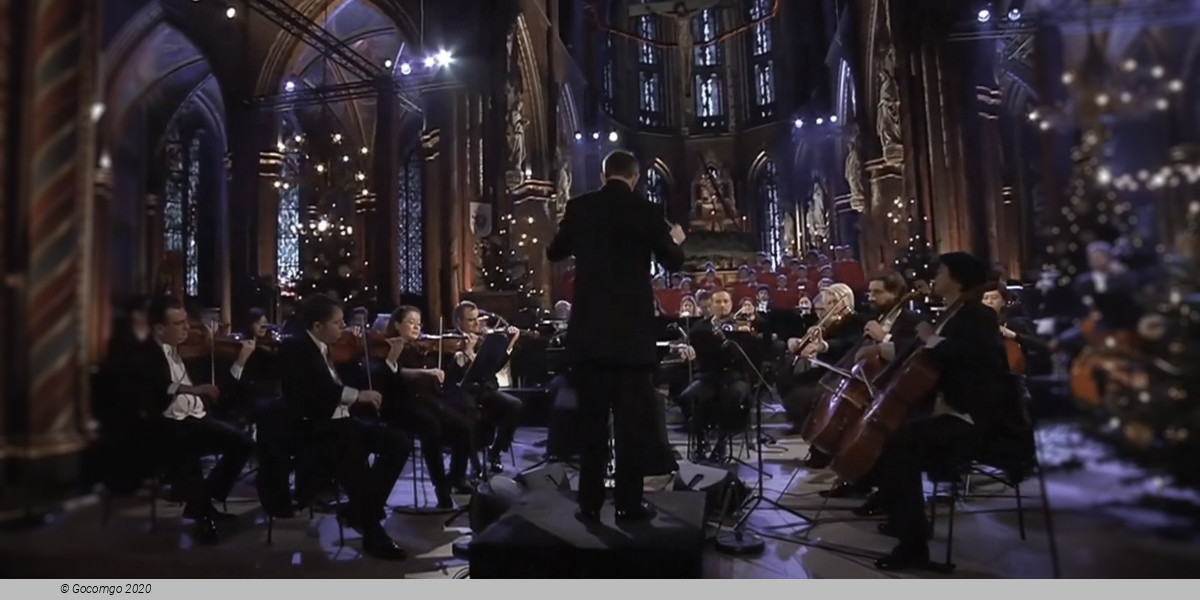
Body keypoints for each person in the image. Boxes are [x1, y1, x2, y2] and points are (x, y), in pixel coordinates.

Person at [546, 149, 686, 522]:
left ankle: (588, 504)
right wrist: (675, 238)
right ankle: (627, 503)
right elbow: (673, 261)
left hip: (589, 336)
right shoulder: (647, 210)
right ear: (635, 177)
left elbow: (554, 251)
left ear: (605, 174)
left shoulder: (580, 207)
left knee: (591, 425)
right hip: (631, 339)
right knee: (631, 426)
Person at [869, 252, 1006, 570]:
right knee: (890, 431)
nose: (936, 276)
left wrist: (932, 339)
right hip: (946, 407)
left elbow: (974, 359)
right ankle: (903, 516)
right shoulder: (955, 312)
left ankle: (913, 544)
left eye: (941, 271)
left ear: (956, 278)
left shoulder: (978, 315)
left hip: (970, 416)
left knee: (900, 443)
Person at [278, 295, 409, 560]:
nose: (343, 328)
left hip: (340, 421)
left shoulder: (328, 347)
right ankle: (372, 531)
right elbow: (314, 392)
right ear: (317, 326)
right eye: (337, 323)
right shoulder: (297, 348)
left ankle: (358, 512)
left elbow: (343, 381)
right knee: (351, 454)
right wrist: (357, 395)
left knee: (398, 441)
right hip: (313, 427)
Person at [136, 295, 255, 544]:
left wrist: (235, 356)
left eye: (186, 322)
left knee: (242, 443)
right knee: (186, 449)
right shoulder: (147, 354)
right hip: (166, 425)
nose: (187, 328)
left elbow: (219, 386)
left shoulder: (189, 351)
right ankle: (202, 514)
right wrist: (192, 390)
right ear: (159, 329)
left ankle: (205, 500)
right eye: (179, 323)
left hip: (196, 419)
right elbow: (156, 385)